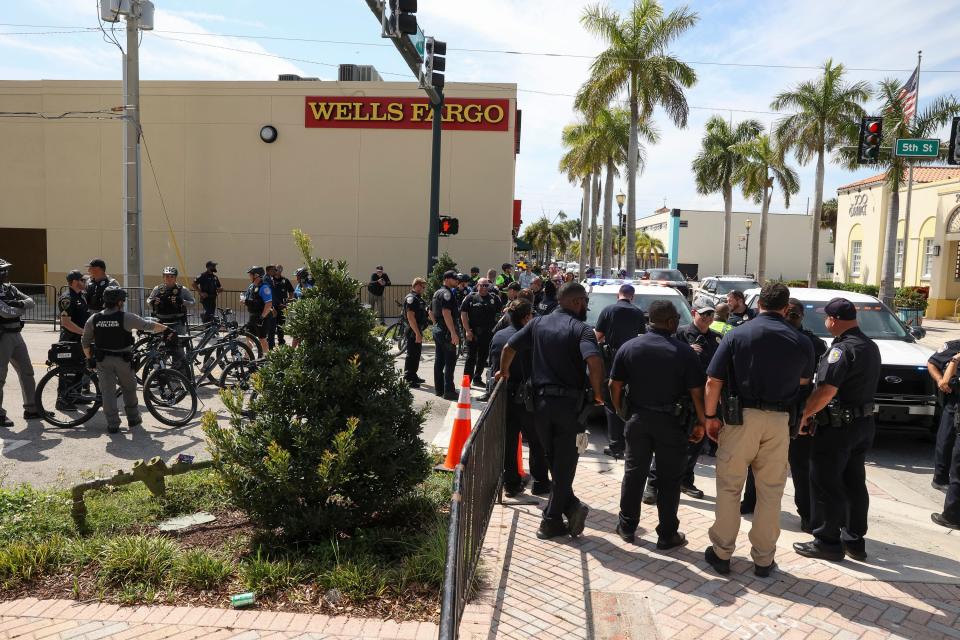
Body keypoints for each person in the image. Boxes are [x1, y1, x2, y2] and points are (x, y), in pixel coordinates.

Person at [702, 282, 814, 577]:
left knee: (729, 487)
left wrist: (710, 416)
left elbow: (713, 381)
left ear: (759, 303)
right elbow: (804, 386)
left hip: (741, 419)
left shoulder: (737, 334)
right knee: (770, 492)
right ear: (786, 307)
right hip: (779, 422)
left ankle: (722, 553)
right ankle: (764, 559)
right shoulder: (801, 341)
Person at [498, 282, 605, 540]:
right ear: (577, 302)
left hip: (540, 408)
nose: (587, 308)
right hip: (570, 408)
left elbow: (508, 348)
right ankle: (551, 521)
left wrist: (504, 371)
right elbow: (594, 360)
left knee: (555, 462)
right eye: (586, 302)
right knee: (564, 465)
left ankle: (566, 510)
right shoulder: (582, 330)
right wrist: (599, 393)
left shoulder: (536, 323)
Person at [610, 300, 706, 549]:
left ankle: (627, 527)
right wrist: (701, 423)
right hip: (672, 424)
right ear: (672, 322)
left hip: (638, 419)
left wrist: (623, 412)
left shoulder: (630, 347)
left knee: (634, 474)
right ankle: (666, 534)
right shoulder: (685, 352)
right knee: (670, 480)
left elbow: (614, 386)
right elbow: (697, 393)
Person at [793, 298, 881, 562]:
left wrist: (804, 415)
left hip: (838, 429)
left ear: (834, 320)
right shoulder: (870, 346)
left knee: (825, 482)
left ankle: (827, 540)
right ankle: (854, 540)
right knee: (855, 483)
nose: (825, 322)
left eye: (826, 318)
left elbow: (826, 391)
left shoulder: (840, 351)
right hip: (862, 425)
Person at [741, 299, 828, 524]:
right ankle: (750, 501)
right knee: (756, 460)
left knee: (800, 465)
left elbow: (820, 348)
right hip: (771, 408)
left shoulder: (806, 340)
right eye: (787, 313)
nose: (790, 317)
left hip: (797, 410)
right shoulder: (772, 334)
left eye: (795, 314)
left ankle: (807, 515)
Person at [646, 305, 721, 502]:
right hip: (679, 397)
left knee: (696, 442)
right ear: (695, 313)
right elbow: (665, 354)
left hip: (703, 397)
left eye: (710, 315)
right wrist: (687, 350)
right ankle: (653, 484)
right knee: (666, 441)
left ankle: (685, 481)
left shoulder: (716, 338)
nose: (707, 318)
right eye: (703, 314)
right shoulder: (679, 333)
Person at [81, 287, 168, 433]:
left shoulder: (94, 318)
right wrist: (166, 329)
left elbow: (85, 341)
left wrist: (90, 359)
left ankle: (113, 424)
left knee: (108, 393)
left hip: (103, 361)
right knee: (129, 388)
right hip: (123, 360)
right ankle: (133, 418)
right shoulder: (126, 317)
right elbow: (148, 325)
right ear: (120, 302)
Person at [489, 300, 550, 497]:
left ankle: (511, 483)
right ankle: (540, 482)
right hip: (527, 396)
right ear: (526, 318)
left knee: (509, 439)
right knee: (536, 440)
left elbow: (492, 365)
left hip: (504, 394)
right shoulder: (532, 338)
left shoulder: (498, 335)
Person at [594, 284, 647, 459]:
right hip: (632, 363)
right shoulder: (638, 313)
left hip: (611, 361)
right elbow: (641, 338)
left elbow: (598, 336)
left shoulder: (608, 310)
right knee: (629, 401)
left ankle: (616, 446)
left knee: (610, 404)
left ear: (619, 295)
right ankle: (629, 443)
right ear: (633, 296)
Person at [0, 259, 44, 427]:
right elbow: (5, 313)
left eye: (6, 270)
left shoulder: (9, 288)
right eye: (2, 270)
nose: (5, 273)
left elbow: (31, 302)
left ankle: (32, 408)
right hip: (2, 336)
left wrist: (17, 303)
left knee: (27, 372)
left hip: (16, 334)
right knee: (0, 377)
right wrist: (19, 308)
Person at [147, 266, 195, 374]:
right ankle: (160, 371)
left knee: (178, 348)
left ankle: (179, 372)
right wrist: (153, 302)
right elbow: (149, 300)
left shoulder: (182, 290)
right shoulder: (157, 289)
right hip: (161, 322)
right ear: (163, 277)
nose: (169, 278)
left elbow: (193, 302)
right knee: (160, 347)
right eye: (166, 276)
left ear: (175, 278)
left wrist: (182, 301)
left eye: (171, 276)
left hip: (177, 322)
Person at [56, 270, 92, 410]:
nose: (85, 282)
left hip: (80, 340)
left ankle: (75, 396)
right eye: (83, 280)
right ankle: (62, 400)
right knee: (67, 371)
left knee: (80, 369)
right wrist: (84, 332)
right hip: (70, 340)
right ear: (76, 282)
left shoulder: (81, 296)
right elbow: (66, 323)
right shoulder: (67, 298)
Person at [928, 340, 960, 493]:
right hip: (954, 400)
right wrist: (940, 380)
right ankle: (940, 479)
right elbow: (932, 363)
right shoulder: (954, 347)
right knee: (946, 440)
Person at [460, 277, 502, 389]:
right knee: (470, 358)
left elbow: (500, 315)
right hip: (473, 333)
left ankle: (477, 378)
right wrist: (467, 331)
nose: (484, 288)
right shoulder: (470, 297)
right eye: (482, 285)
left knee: (483, 358)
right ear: (477, 285)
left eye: (486, 285)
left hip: (488, 334)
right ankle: (466, 381)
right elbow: (463, 314)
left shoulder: (494, 298)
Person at [431, 271, 461, 401]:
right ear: (447, 279)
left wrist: (436, 324)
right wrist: (453, 333)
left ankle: (439, 389)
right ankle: (448, 391)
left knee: (439, 360)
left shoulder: (437, 292)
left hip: (439, 329)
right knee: (450, 361)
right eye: (455, 279)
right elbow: (446, 313)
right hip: (446, 331)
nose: (457, 281)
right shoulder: (447, 294)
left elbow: (430, 311)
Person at [403, 278, 429, 388]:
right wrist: (417, 333)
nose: (423, 289)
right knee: (412, 354)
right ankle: (408, 378)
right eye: (422, 287)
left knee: (416, 354)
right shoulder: (411, 298)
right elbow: (410, 317)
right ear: (417, 285)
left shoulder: (418, 299)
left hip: (417, 329)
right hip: (413, 330)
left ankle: (413, 375)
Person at [243, 266, 274, 355]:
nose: (249, 276)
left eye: (251, 274)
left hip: (262, 317)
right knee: (249, 336)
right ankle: (246, 356)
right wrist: (245, 301)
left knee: (262, 338)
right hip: (252, 316)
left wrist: (262, 317)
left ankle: (266, 358)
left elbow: (268, 304)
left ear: (256, 275)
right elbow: (251, 300)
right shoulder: (251, 286)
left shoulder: (264, 288)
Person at [266, 265, 294, 348]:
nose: (277, 271)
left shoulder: (285, 280)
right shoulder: (270, 280)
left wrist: (288, 301)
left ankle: (281, 342)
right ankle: (271, 343)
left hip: (282, 306)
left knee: (281, 325)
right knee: (271, 326)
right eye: (275, 269)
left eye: (278, 269)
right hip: (273, 306)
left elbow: (291, 291)